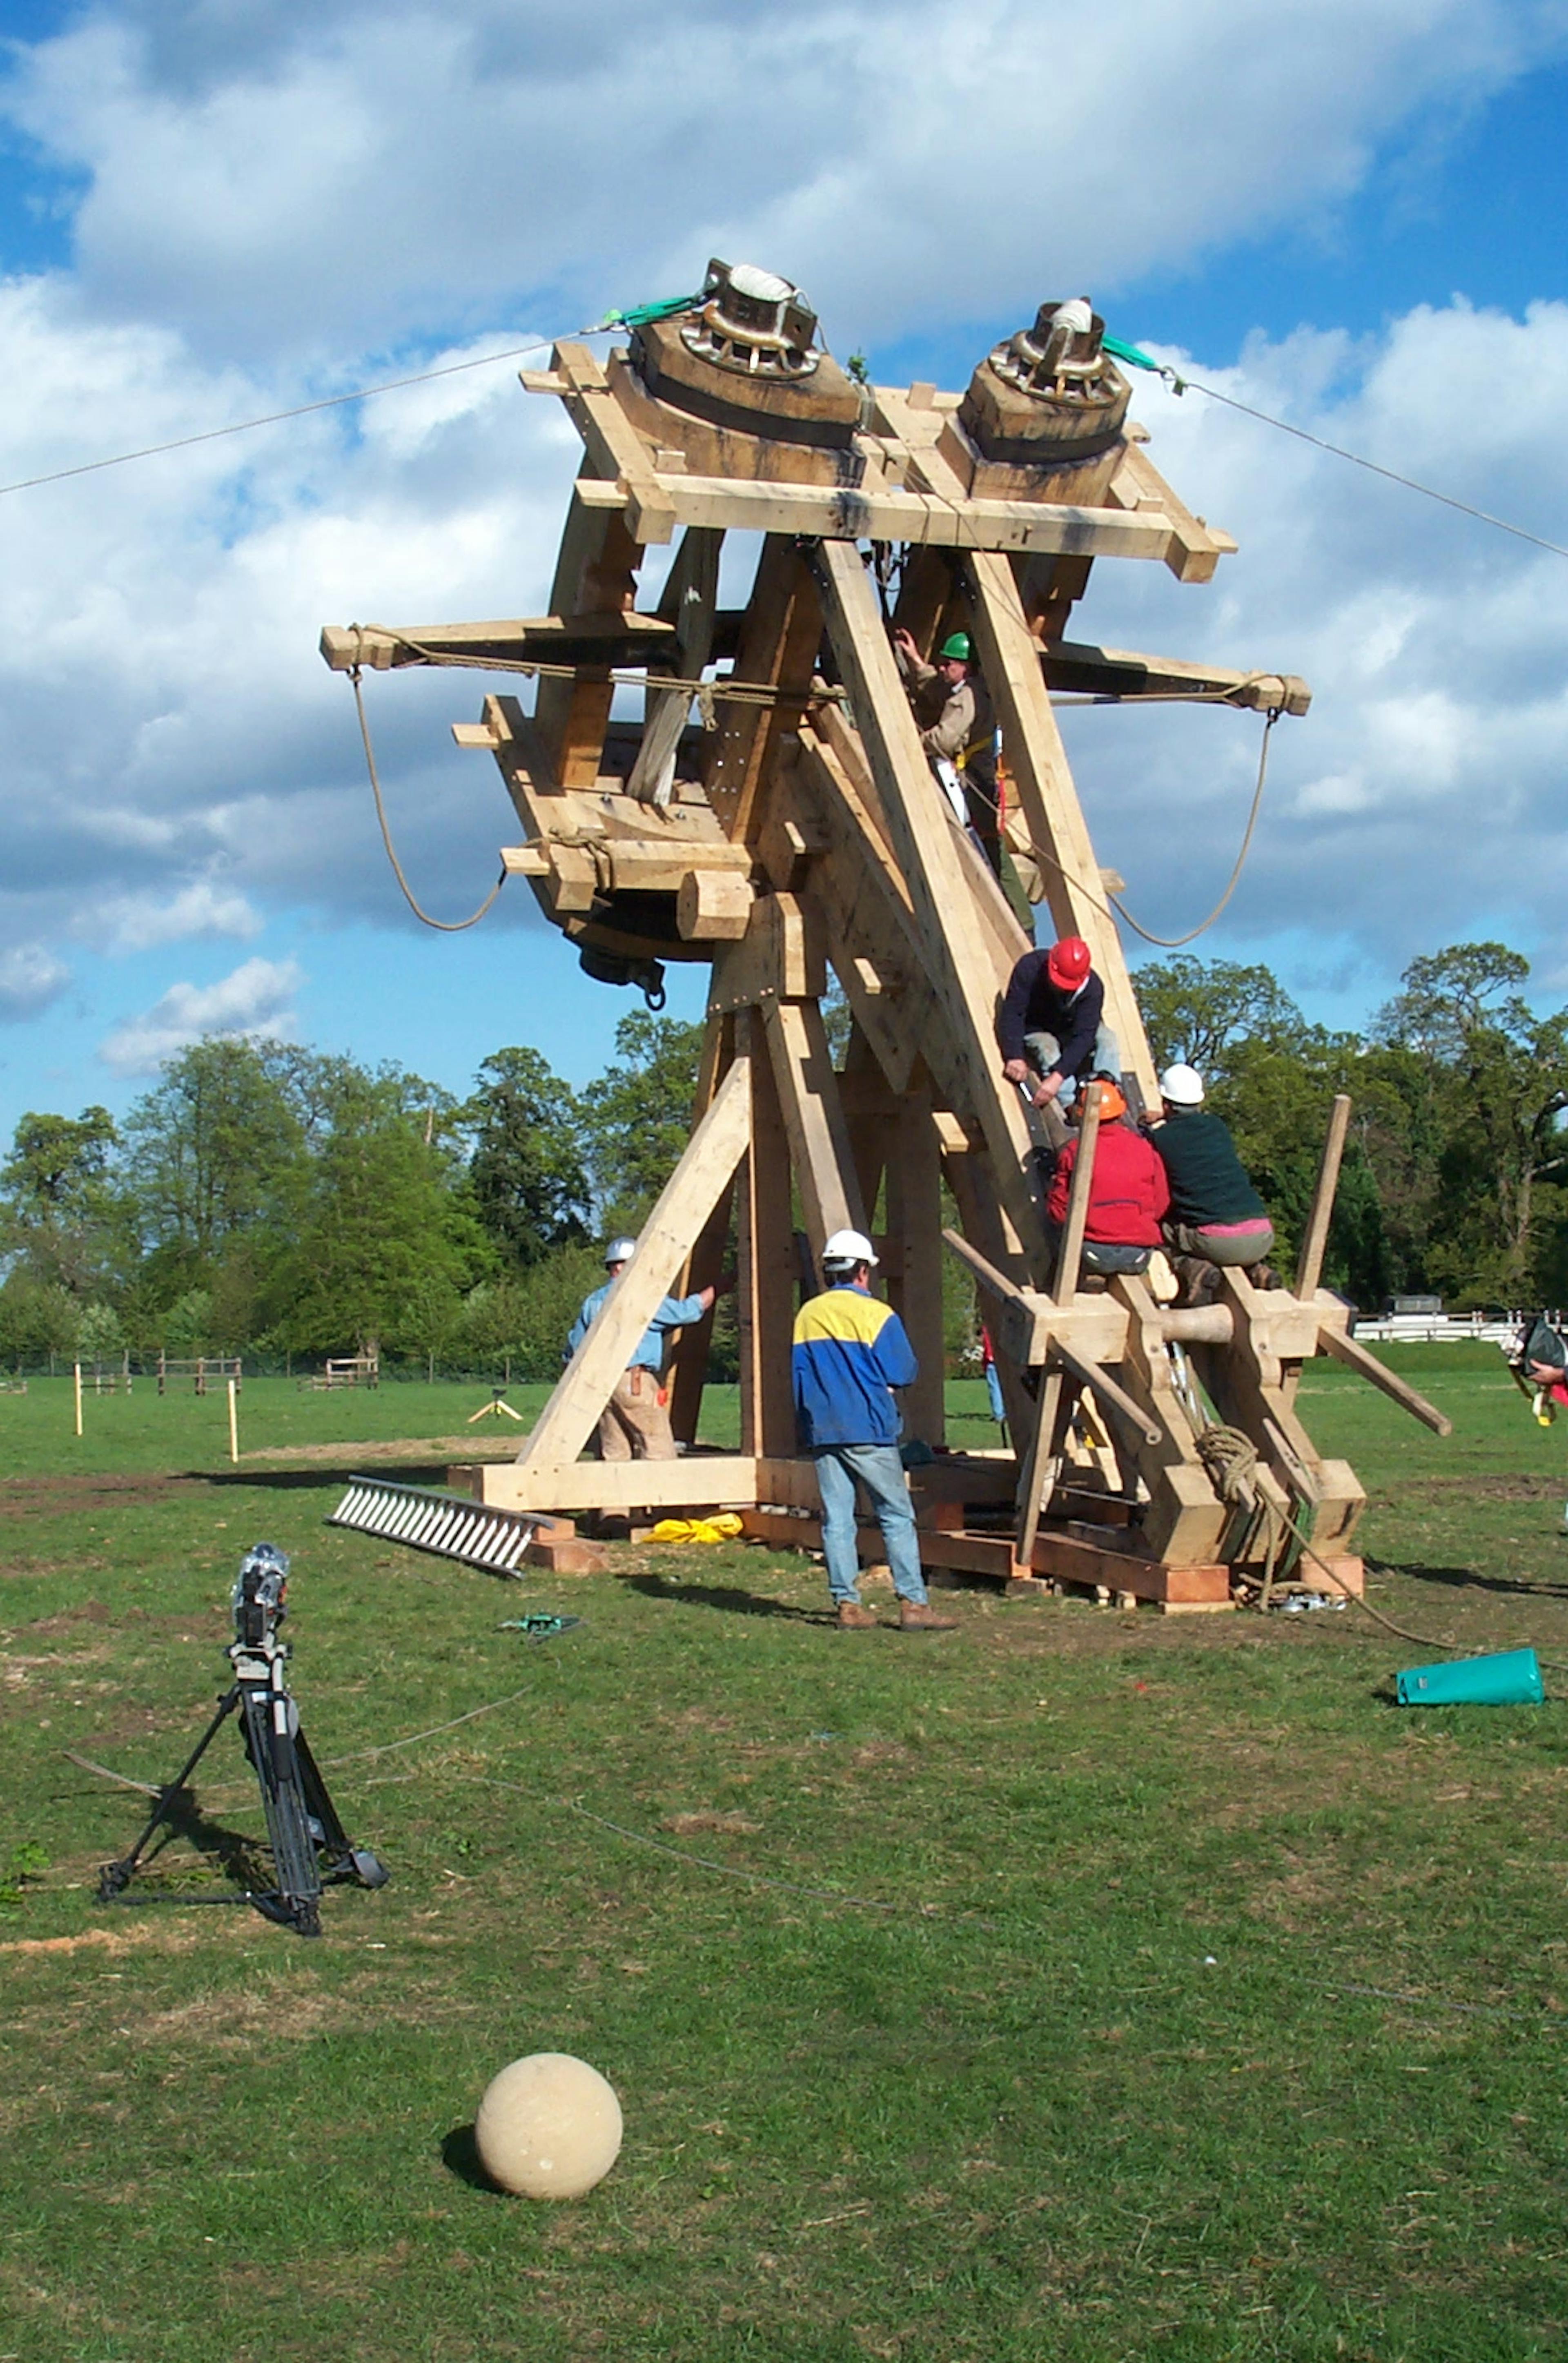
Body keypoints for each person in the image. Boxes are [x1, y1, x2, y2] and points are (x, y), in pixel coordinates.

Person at [792, 1228, 957, 1632]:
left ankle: (847, 1605)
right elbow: (904, 1370)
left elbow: (799, 1378)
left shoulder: (807, 1315)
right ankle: (913, 1604)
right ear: (863, 1271)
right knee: (896, 1515)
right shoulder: (877, 1314)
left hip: (824, 1430)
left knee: (837, 1520)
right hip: (870, 1429)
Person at [567, 1235, 726, 1462]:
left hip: (600, 1386)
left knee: (614, 1456)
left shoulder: (593, 1301)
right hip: (633, 1383)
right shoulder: (642, 1297)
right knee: (658, 1453)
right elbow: (687, 1312)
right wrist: (718, 1289)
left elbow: (574, 1348)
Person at [1145, 1064, 1275, 1284]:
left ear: (1166, 1104)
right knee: (1226, 1234)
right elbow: (1190, 1130)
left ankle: (1195, 1270)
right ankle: (1258, 1272)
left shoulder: (1161, 1139)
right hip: (1262, 1237)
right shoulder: (1217, 1127)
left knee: (1159, 1231)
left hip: (1218, 1242)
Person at [1045, 1080, 1168, 1278]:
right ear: (1120, 1112)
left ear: (1082, 1114)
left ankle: (1063, 1281)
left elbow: (1059, 1213)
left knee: (1049, 1228)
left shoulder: (1074, 1151)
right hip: (1139, 1255)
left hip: (1090, 1253)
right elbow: (1161, 1203)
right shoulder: (1146, 1149)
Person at [998, 934, 1121, 1121]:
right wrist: (1014, 1055)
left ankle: (1108, 1095)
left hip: (1070, 1029)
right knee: (1047, 1048)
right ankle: (1071, 1107)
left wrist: (1058, 1076)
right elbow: (1013, 1013)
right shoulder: (1029, 967)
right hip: (1035, 1027)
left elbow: (1085, 1036)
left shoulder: (1093, 989)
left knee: (1108, 1040)